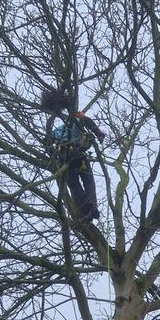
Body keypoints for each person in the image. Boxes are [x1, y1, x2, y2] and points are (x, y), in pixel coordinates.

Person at [41, 89, 105, 221]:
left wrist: (51, 151)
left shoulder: (57, 131)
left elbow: (47, 143)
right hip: (77, 156)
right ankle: (89, 207)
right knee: (88, 182)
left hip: (67, 159)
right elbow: (87, 122)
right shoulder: (76, 121)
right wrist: (98, 133)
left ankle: (86, 209)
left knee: (75, 185)